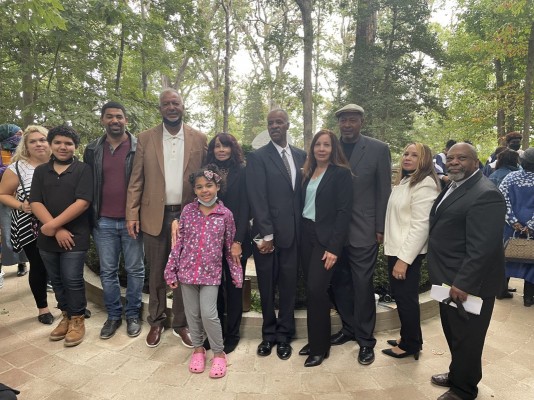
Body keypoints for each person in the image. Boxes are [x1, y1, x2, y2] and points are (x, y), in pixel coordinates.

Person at [126, 88, 207, 348]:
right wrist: (131, 214)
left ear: (183, 106)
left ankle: (181, 324)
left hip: (187, 216)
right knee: (158, 271)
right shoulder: (146, 138)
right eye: (166, 104)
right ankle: (157, 320)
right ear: (160, 109)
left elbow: (206, 179)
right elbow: (136, 180)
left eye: (176, 103)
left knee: (185, 273)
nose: (171, 107)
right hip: (153, 216)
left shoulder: (199, 138)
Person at [427, 143, 505, 400]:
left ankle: (464, 389)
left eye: (462, 158)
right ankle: (457, 374)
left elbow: (483, 248)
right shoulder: (454, 186)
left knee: (468, 338)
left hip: (468, 284)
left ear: (476, 161)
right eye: (450, 158)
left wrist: (463, 283)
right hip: (447, 278)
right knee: (454, 333)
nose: (454, 162)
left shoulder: (486, 194)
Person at [164, 165, 242, 379]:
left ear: (218, 186)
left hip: (211, 274)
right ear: (194, 190)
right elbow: (178, 243)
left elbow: (229, 249)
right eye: (199, 187)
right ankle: (198, 349)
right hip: (187, 273)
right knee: (193, 314)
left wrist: (236, 274)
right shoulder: (188, 211)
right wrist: (171, 270)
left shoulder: (225, 215)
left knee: (209, 313)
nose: (204, 190)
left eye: (209, 185)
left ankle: (218, 353)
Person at [329, 103, 391, 366]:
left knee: (362, 285)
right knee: (339, 283)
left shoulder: (378, 149)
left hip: (364, 229)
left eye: (352, 120)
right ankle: (349, 328)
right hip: (333, 232)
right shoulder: (330, 147)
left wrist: (380, 227)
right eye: (343, 121)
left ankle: (366, 341)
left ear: (361, 122)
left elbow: (383, 190)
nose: (347, 125)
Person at [246, 108, 306, 360]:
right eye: (270, 123)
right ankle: (268, 335)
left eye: (279, 122)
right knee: (268, 287)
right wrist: (266, 235)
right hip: (267, 237)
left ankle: (285, 336)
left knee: (289, 287)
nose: (274, 126)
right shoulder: (258, 157)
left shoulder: (302, 156)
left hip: (294, 236)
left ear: (288, 125)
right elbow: (257, 198)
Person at [84, 101, 145, 339]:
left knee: (135, 270)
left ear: (126, 120)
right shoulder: (92, 150)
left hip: (133, 221)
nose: (115, 120)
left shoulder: (140, 147)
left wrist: (138, 213)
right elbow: (88, 185)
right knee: (107, 271)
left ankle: (132, 315)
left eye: (119, 116)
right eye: (109, 116)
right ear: (102, 120)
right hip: (104, 221)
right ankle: (113, 316)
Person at [30, 125, 93, 347]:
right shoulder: (41, 171)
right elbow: (35, 201)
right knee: (56, 279)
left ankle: (77, 319)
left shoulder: (83, 170)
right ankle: (65, 316)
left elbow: (82, 202)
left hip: (75, 235)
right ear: (50, 144)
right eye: (57, 142)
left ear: (75, 147)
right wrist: (54, 229)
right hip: (48, 237)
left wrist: (55, 226)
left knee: (72, 278)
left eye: (68, 143)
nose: (62, 147)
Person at [298, 129, 352, 367]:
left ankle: (320, 349)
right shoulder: (308, 172)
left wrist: (334, 248)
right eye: (318, 144)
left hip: (325, 239)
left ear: (333, 149)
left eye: (326, 145)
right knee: (312, 291)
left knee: (317, 289)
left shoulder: (341, 174)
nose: (321, 149)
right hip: (305, 235)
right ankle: (316, 340)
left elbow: (343, 213)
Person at [381, 143, 440, 360]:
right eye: (406, 153)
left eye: (414, 155)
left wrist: (404, 260)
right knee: (403, 297)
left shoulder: (425, 185)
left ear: (424, 160)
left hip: (406, 253)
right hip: (397, 249)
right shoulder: (407, 181)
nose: (407, 158)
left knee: (406, 299)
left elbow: (420, 226)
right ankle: (409, 336)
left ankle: (410, 344)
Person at [0, 125, 53, 325]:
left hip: (60, 221)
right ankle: (43, 308)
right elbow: (3, 194)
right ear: (26, 145)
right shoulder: (17, 168)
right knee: (39, 266)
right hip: (30, 224)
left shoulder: (60, 161)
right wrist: (21, 205)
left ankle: (70, 306)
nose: (39, 144)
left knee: (63, 266)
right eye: (33, 141)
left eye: (42, 139)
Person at [204, 132, 251, 353]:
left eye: (225, 146)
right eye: (217, 146)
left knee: (233, 287)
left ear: (233, 148)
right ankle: (216, 331)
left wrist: (238, 240)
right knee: (214, 285)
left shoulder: (242, 170)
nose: (221, 150)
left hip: (236, 237)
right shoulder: (207, 172)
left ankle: (232, 333)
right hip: (211, 238)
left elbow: (245, 207)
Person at [498, 148, 534, 307]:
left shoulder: (510, 177)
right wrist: (530, 225)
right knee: (531, 262)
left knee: (506, 257)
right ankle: (528, 298)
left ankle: (501, 291)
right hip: (531, 230)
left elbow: (502, 200)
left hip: (510, 227)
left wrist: (514, 222)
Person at [0, 123, 28, 277]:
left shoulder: (23, 150)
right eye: (18, 134)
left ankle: (22, 262)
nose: (21, 137)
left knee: (19, 229)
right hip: (2, 197)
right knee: (4, 234)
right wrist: (11, 168)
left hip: (19, 197)